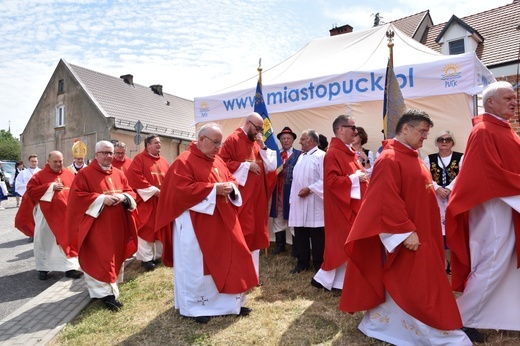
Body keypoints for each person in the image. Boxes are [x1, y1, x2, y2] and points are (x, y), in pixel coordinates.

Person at [340, 109, 471, 345]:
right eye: (422, 131)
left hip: (424, 232)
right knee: (417, 284)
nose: (425, 137)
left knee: (413, 282)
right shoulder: (389, 158)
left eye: (426, 132)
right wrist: (404, 230)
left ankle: (385, 324)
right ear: (405, 128)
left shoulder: (412, 155)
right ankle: (432, 330)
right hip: (409, 235)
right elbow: (383, 199)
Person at [155, 123, 258, 324]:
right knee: (198, 265)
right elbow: (181, 191)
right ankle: (197, 307)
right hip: (195, 225)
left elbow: (231, 180)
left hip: (223, 222)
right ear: (201, 139)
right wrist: (213, 190)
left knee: (231, 258)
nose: (218, 148)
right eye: (215, 143)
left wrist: (231, 187)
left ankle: (230, 304)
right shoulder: (183, 162)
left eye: (220, 143)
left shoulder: (218, 160)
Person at [446, 81, 520, 341]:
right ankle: (461, 318)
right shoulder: (484, 130)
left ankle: (498, 314)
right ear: (490, 102)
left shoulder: (504, 129)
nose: (514, 102)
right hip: (493, 206)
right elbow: (489, 173)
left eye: (514, 98)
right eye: (508, 98)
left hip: (507, 204)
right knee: (491, 261)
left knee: (506, 261)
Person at [67, 140, 138, 311]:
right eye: (104, 153)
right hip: (97, 226)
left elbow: (129, 191)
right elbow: (77, 197)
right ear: (96, 154)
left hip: (117, 224)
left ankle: (112, 286)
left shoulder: (119, 174)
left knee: (114, 256)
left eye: (110, 153)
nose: (108, 156)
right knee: (100, 257)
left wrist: (124, 198)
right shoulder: (85, 174)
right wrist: (101, 199)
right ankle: (104, 294)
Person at [312, 115, 368, 291]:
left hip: (352, 205)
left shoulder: (348, 151)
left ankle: (339, 282)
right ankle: (326, 280)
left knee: (347, 243)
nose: (355, 131)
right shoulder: (333, 153)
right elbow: (331, 182)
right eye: (352, 127)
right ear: (340, 129)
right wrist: (355, 178)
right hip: (341, 208)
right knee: (341, 244)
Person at [219, 112, 277, 277]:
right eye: (257, 128)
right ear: (248, 124)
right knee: (243, 232)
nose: (259, 132)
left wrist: (263, 146)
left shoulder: (257, 142)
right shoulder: (233, 140)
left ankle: (253, 274)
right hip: (242, 197)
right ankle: (240, 274)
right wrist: (246, 166)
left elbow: (271, 167)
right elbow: (222, 164)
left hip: (257, 197)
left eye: (261, 129)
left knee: (256, 233)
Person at [25, 151, 83, 280]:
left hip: (66, 216)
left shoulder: (69, 174)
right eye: (55, 161)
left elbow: (77, 192)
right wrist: (50, 187)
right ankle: (43, 268)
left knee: (68, 241)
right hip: (46, 216)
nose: (58, 164)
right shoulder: (39, 176)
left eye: (60, 161)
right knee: (44, 241)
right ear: (48, 161)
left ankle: (69, 268)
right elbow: (30, 191)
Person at [126, 134, 170, 271]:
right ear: (148, 145)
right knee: (146, 227)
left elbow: (169, 178)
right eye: (155, 143)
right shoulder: (139, 159)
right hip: (147, 201)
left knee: (160, 226)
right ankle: (146, 258)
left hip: (161, 202)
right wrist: (154, 191)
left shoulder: (163, 161)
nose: (159, 145)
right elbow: (135, 177)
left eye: (159, 143)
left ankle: (158, 255)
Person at [423, 130, 464, 274]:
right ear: (437, 142)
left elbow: (463, 176)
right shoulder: (429, 158)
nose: (444, 142)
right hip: (436, 199)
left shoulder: (460, 157)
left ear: (452, 142)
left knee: (454, 229)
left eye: (447, 140)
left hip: (454, 198)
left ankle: (454, 261)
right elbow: (425, 176)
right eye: (441, 140)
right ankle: (444, 261)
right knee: (439, 231)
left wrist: (450, 188)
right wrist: (438, 188)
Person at [288, 130, 325, 274]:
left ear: (311, 140)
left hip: (314, 202)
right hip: (299, 202)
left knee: (317, 237)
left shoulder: (321, 156)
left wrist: (310, 189)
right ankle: (302, 262)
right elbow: (296, 180)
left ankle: (319, 265)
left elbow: (325, 180)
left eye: (302, 139)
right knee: (301, 233)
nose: (300, 142)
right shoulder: (301, 157)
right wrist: (292, 199)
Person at [269, 126, 301, 254]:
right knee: (279, 217)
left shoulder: (300, 155)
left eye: (288, 138)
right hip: (278, 192)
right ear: (280, 141)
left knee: (294, 218)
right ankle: (279, 247)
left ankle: (296, 248)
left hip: (293, 192)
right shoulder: (274, 155)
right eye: (283, 139)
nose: (286, 140)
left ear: (293, 140)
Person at [15, 154, 41, 242]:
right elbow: (18, 185)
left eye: (35, 161)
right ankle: (32, 233)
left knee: (39, 217)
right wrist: (29, 188)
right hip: (28, 198)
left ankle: (40, 234)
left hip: (39, 198)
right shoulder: (23, 173)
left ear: (38, 162)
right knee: (29, 217)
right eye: (32, 161)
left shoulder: (41, 172)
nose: (34, 163)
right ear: (29, 162)